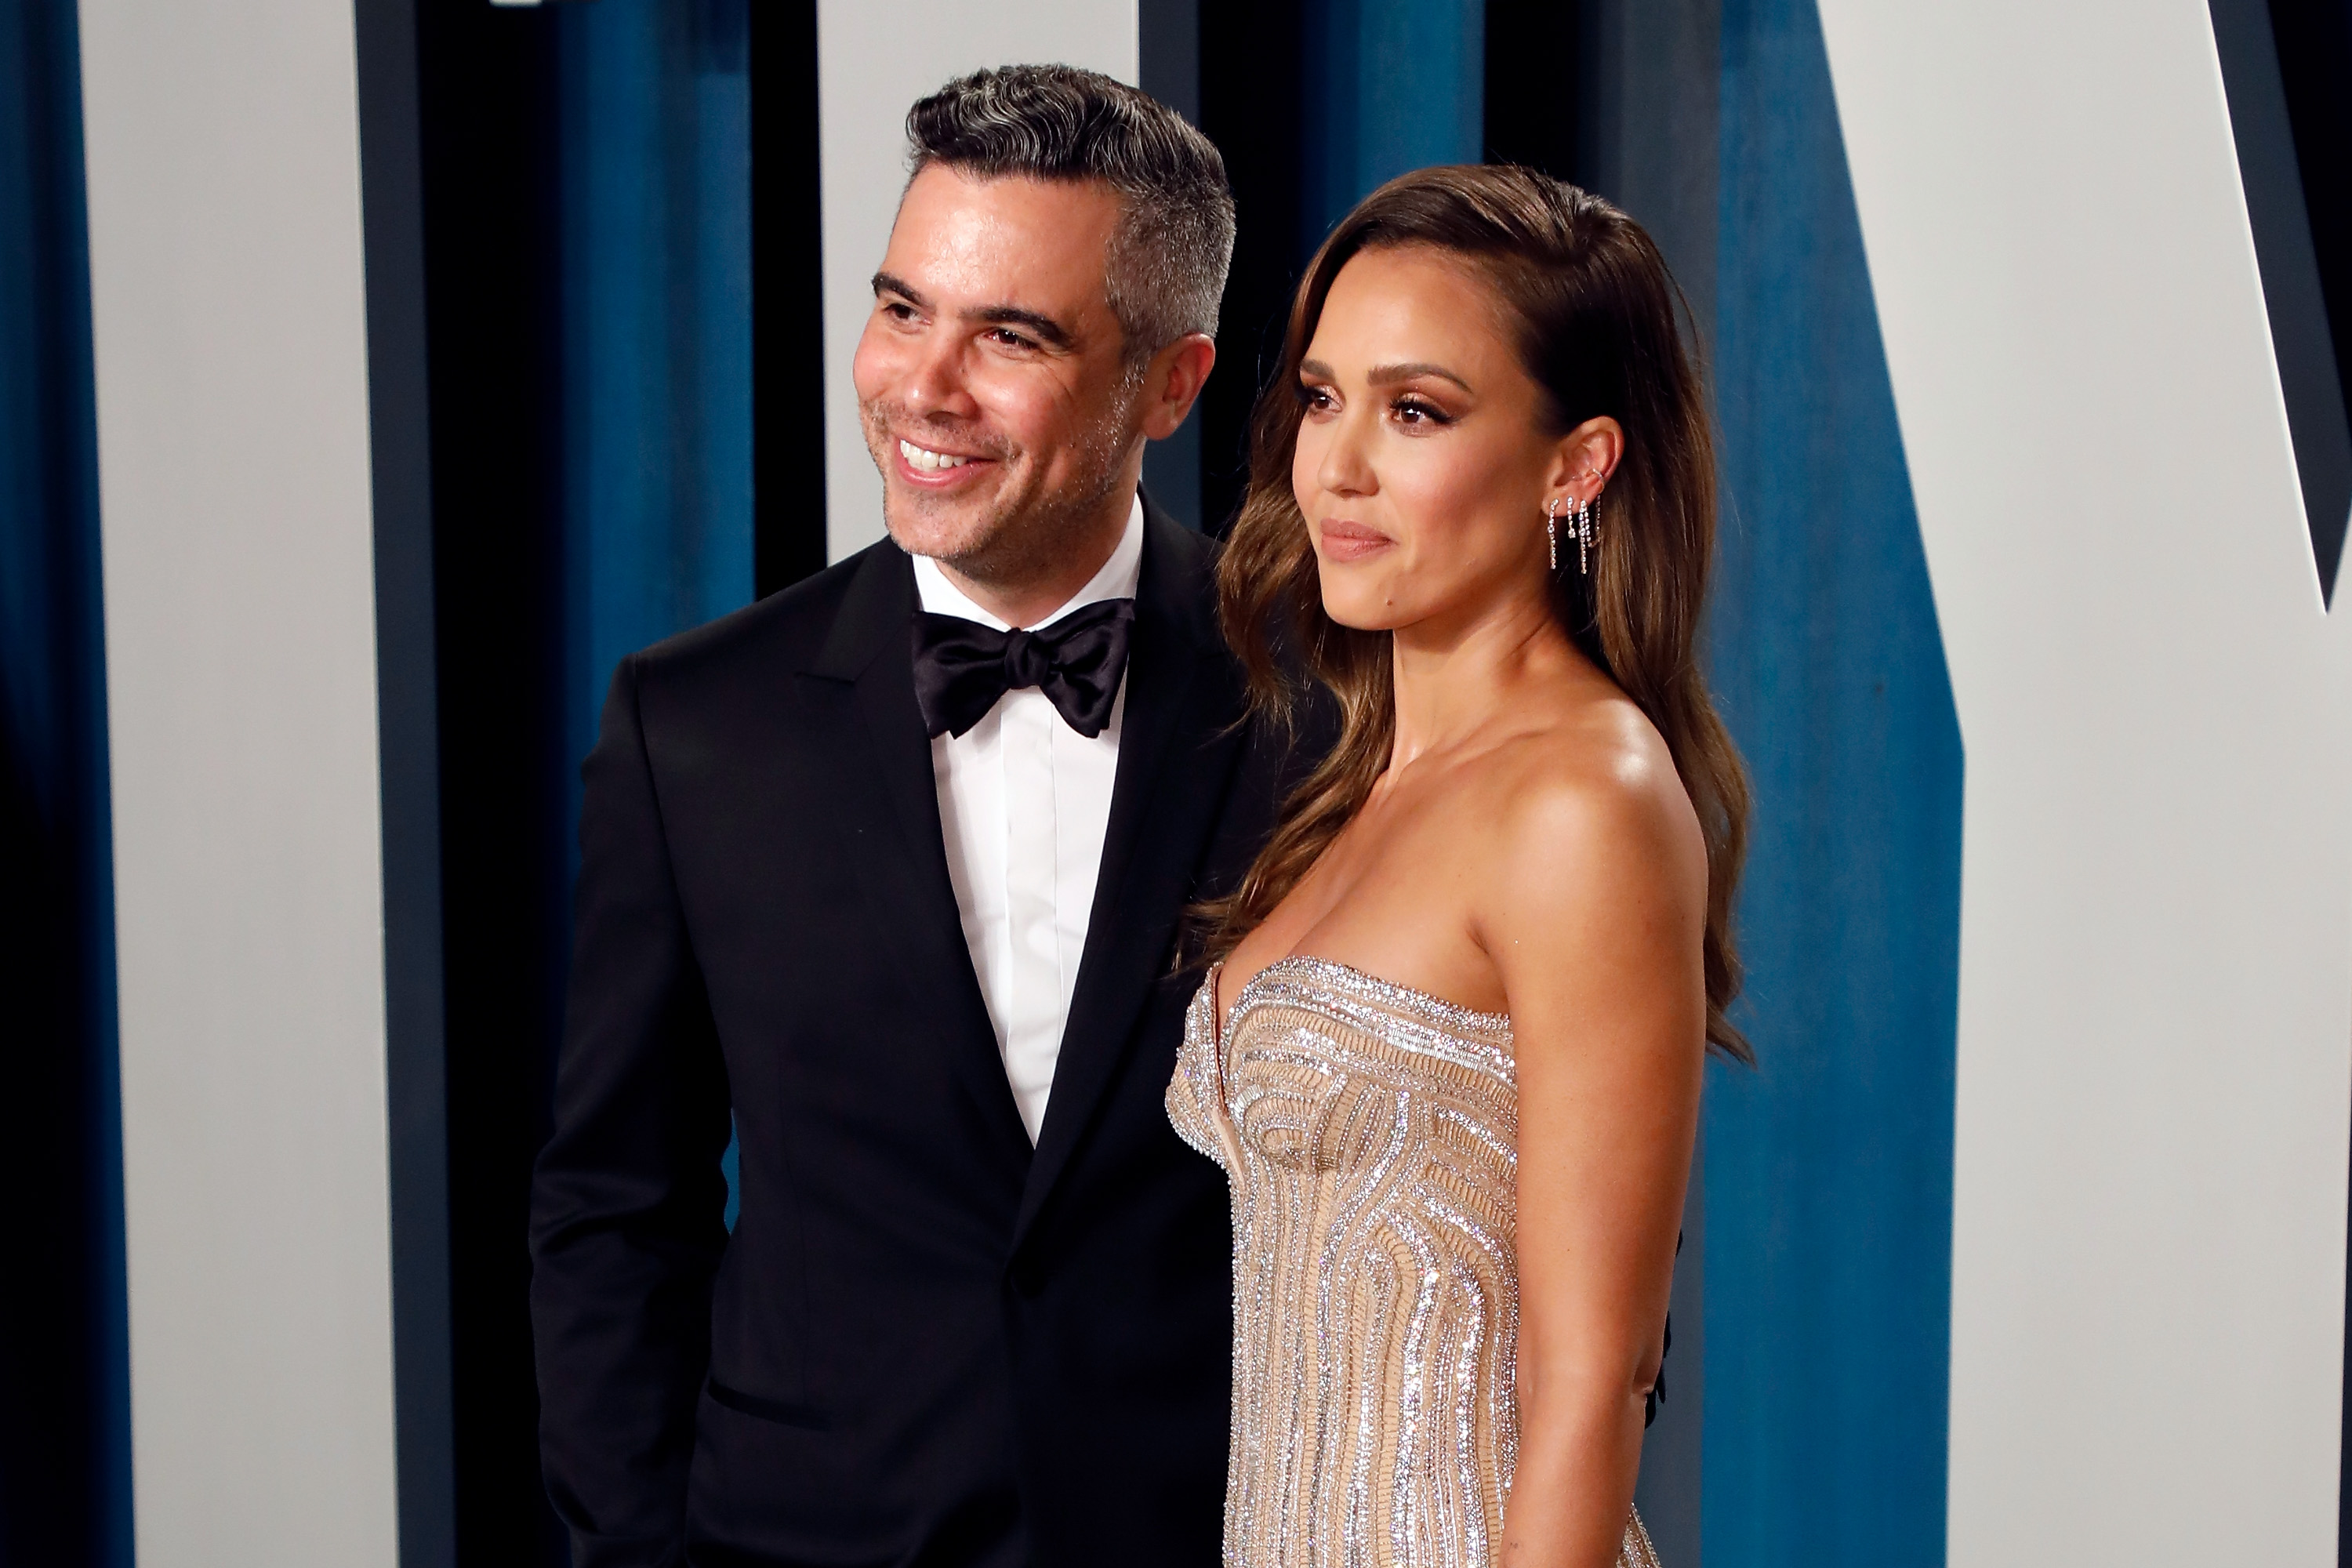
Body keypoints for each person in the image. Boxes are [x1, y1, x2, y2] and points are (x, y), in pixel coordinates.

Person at [532, 65, 1281, 1568]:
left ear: (1171, 383)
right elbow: (617, 1209)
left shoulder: (1326, 709)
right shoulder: (693, 726)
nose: (924, 388)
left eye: (1011, 336)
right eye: (901, 309)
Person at [1166, 165, 1751, 1567]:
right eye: (1321, 397)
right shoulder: (1362, 789)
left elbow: (1596, 1378)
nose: (1339, 466)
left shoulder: (1583, 798)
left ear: (1576, 465)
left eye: (1416, 410)